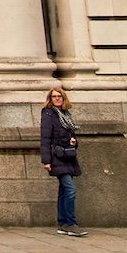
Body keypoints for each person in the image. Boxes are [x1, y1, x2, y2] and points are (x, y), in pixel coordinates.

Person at [40, 85, 85, 236]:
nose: (57, 99)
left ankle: (63, 223)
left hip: (68, 156)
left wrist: (74, 142)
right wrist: (46, 161)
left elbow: (71, 136)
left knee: (64, 191)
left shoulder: (66, 115)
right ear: (50, 99)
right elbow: (45, 139)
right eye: (54, 96)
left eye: (59, 96)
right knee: (70, 189)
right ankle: (71, 223)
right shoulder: (48, 114)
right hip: (57, 157)